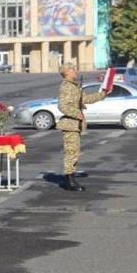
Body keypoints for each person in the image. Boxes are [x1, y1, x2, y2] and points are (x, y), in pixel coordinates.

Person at [57, 62, 108, 191]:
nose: (76, 71)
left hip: (75, 125)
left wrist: (103, 94)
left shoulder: (74, 86)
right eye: (73, 69)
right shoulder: (66, 87)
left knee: (74, 153)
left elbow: (86, 99)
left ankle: (71, 178)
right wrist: (77, 114)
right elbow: (62, 106)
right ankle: (70, 181)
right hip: (70, 124)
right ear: (67, 72)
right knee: (71, 152)